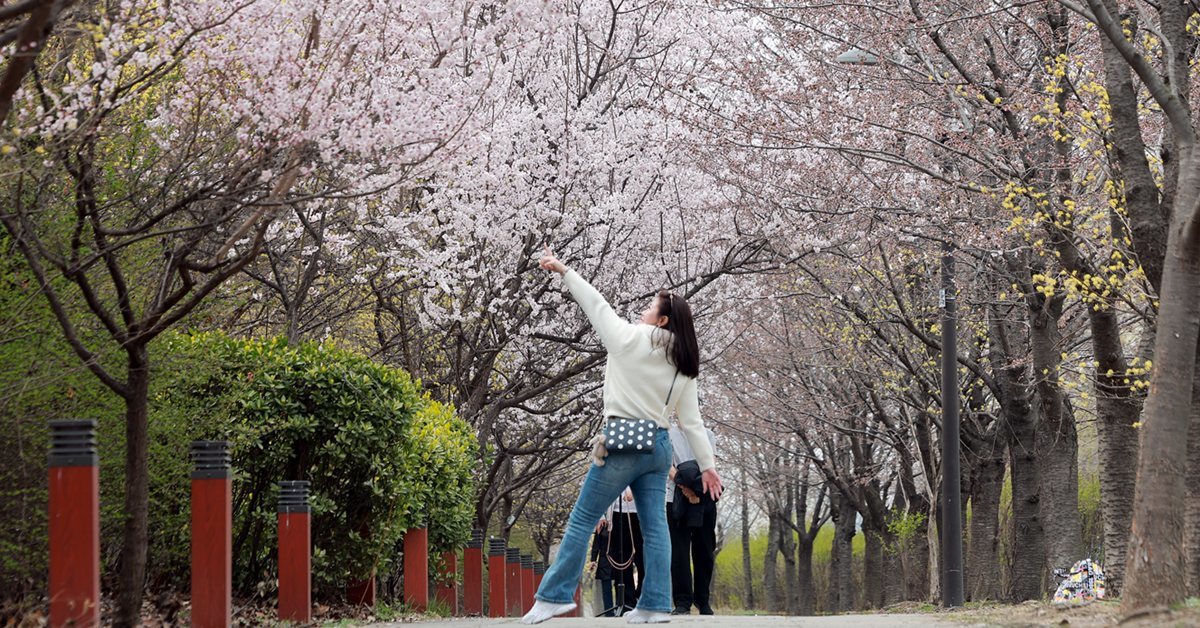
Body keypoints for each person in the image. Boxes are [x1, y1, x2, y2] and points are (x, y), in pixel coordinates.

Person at [522, 247, 722, 625]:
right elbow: (692, 422)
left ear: (662, 320)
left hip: (623, 442)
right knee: (655, 528)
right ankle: (655, 604)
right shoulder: (684, 362)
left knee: (582, 518)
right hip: (658, 447)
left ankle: (553, 596)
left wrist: (564, 270)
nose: (643, 311)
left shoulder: (628, 338)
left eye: (650, 307)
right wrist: (707, 466)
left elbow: (595, 304)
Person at [667, 425, 718, 615]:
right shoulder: (668, 434)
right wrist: (686, 489)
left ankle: (703, 600)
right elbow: (667, 465)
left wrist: (696, 490)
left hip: (703, 494)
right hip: (675, 497)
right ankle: (682, 601)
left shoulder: (708, 434)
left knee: (705, 549)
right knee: (679, 552)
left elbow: (711, 464)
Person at [608, 489, 644, 612]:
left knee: (644, 559)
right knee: (621, 560)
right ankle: (627, 602)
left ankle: (642, 596)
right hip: (617, 512)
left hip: (642, 512)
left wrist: (633, 489)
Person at [589, 518, 616, 616]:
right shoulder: (602, 525)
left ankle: (621, 609)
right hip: (604, 560)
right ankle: (609, 612)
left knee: (620, 585)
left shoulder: (620, 523)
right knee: (606, 588)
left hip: (619, 558)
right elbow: (596, 544)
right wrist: (593, 559)